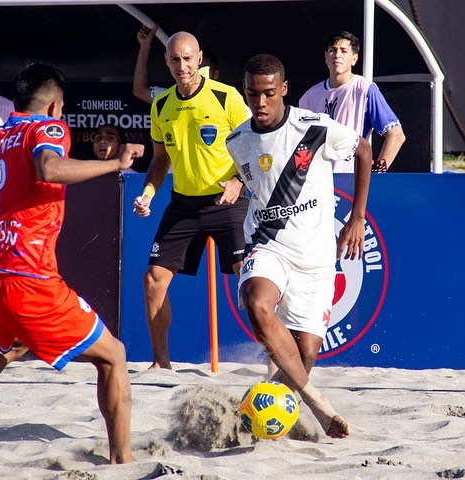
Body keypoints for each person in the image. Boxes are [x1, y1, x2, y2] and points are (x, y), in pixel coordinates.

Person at [0, 63, 144, 464]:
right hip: (26, 278)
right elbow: (48, 167)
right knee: (113, 355)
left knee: (11, 344)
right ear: (53, 106)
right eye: (62, 109)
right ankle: (123, 460)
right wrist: (115, 164)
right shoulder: (46, 129)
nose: (62, 116)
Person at [226, 53, 373, 439]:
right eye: (252, 94)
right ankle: (317, 402)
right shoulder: (237, 141)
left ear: (284, 90)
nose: (260, 102)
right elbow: (257, 187)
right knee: (257, 304)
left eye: (269, 94)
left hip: (317, 259)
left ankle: (269, 409)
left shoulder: (313, 127)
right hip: (268, 244)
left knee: (303, 355)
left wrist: (357, 217)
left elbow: (363, 151)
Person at [132, 31, 251, 370]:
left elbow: (255, 145)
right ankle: (161, 364)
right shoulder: (162, 104)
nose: (181, 66)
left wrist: (237, 181)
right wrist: (148, 194)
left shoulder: (226, 97)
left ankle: (276, 362)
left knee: (252, 281)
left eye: (187, 58)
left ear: (199, 58)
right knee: (153, 280)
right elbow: (159, 160)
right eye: (174, 59)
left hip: (227, 201)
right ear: (167, 62)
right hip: (183, 205)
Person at [298, 30, 405, 173]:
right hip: (315, 183)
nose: (337, 55)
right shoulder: (309, 96)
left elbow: (396, 135)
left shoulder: (365, 90)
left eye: (344, 51)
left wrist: (377, 172)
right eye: (333, 50)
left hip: (350, 182)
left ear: (354, 59)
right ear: (325, 57)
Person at [132, 24, 220, 104]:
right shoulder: (167, 98)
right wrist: (145, 45)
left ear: (215, 74)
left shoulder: (225, 98)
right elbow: (140, 90)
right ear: (167, 60)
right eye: (176, 59)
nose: (183, 67)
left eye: (203, 70)